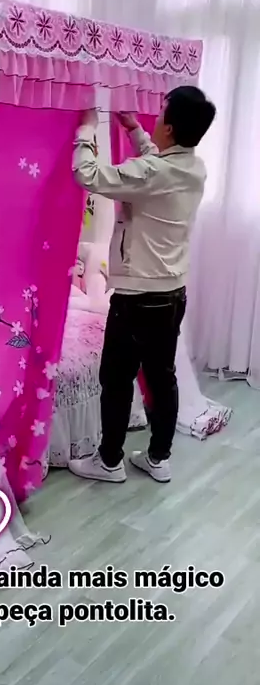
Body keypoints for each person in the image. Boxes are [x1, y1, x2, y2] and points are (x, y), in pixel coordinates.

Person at [69, 86, 216, 484]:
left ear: (169, 127)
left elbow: (87, 174)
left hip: (138, 297)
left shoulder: (153, 173)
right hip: (172, 293)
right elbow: (156, 163)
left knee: (117, 379)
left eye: (161, 113)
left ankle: (109, 461)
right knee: (162, 377)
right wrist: (135, 131)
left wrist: (86, 129)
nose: (156, 117)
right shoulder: (193, 168)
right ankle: (158, 457)